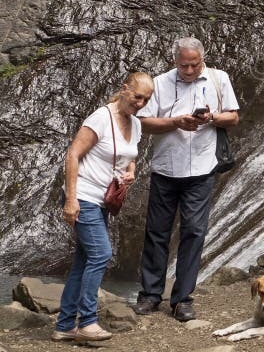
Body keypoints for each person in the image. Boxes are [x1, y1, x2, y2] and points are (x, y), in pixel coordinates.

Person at [133, 38, 239, 321]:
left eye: (194, 65)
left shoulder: (220, 78)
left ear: (202, 60)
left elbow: (233, 118)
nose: (189, 70)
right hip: (165, 169)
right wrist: (175, 122)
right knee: (157, 232)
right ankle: (150, 295)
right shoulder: (160, 82)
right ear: (175, 61)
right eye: (184, 65)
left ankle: (182, 299)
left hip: (202, 170)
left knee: (194, 232)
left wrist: (211, 117)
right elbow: (143, 123)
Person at [54, 73, 154, 343]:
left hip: (103, 201)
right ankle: (87, 321)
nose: (141, 103)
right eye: (137, 96)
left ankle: (64, 325)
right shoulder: (101, 117)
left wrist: (130, 173)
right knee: (101, 254)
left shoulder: (136, 124)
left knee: (83, 261)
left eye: (146, 99)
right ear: (124, 90)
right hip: (84, 196)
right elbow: (72, 155)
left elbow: (129, 158)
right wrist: (71, 199)